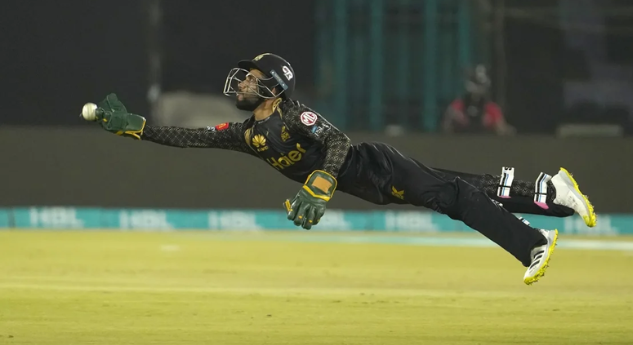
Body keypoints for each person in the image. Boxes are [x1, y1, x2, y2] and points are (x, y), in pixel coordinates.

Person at [83, 53, 596, 285]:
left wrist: (322, 182)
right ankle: (551, 192)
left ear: (273, 88)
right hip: (370, 184)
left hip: (374, 166)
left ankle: (532, 243)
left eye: (251, 77)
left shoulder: (293, 113)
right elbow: (191, 136)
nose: (240, 82)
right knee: (462, 188)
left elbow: (336, 139)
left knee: (457, 198)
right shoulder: (248, 133)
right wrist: (134, 125)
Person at [442, 64, 516, 135]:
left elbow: (502, 129)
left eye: (479, 84)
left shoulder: (492, 109)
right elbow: (446, 127)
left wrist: (500, 128)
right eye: (475, 83)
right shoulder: (457, 107)